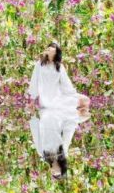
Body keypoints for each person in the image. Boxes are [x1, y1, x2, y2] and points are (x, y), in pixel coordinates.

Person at [28, 43, 90, 178]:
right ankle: (76, 109)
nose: (48, 49)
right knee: (84, 106)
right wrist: (32, 98)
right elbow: (34, 81)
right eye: (48, 48)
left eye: (51, 49)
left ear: (56, 53)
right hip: (47, 100)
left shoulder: (43, 154)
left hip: (58, 97)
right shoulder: (40, 64)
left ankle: (76, 108)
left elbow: (66, 84)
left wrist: (72, 96)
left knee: (85, 102)